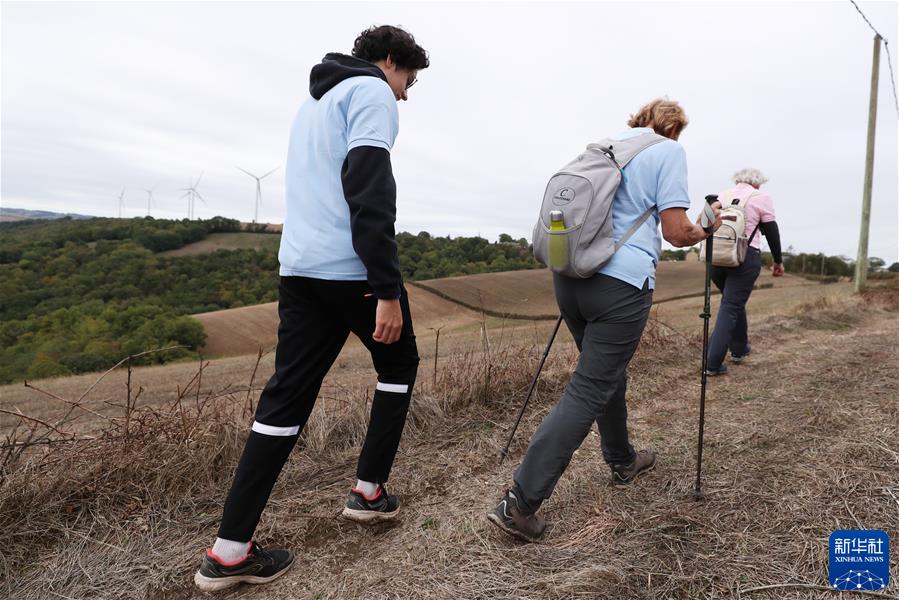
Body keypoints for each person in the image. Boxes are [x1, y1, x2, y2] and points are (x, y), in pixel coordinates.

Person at [194, 25, 428, 592]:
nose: (406, 94)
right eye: (409, 80)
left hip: (298, 269)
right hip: (350, 272)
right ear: (390, 61)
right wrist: (388, 289)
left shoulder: (315, 99)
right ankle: (369, 493)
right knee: (398, 366)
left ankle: (229, 552)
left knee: (285, 399)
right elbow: (370, 189)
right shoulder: (370, 92)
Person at [487, 98, 722, 542]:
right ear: (672, 128)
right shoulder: (668, 151)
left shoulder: (604, 147)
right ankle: (520, 504)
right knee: (590, 387)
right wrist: (706, 228)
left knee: (604, 375)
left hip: (571, 277)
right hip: (621, 283)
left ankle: (621, 459)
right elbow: (675, 232)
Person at [705, 169, 784, 376]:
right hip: (744, 257)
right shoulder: (761, 198)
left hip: (717, 257)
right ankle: (711, 363)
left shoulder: (722, 196)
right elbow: (771, 231)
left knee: (733, 302)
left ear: (737, 180)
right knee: (731, 305)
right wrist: (778, 261)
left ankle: (739, 349)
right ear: (758, 184)